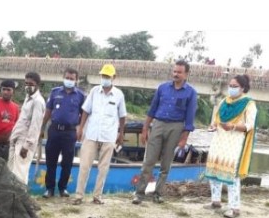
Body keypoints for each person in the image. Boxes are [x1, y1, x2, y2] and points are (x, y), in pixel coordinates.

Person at [132, 60, 197, 205]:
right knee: (149, 161)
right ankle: (139, 193)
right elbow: (152, 109)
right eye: (174, 71)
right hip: (158, 124)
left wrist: (184, 138)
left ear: (186, 74)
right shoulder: (162, 88)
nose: (176, 74)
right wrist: (145, 128)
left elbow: (190, 117)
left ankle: (158, 194)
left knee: (166, 163)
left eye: (179, 72)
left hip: (176, 127)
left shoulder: (191, 93)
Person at [202, 74, 257, 218]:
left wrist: (233, 126)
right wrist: (213, 125)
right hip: (219, 140)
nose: (231, 89)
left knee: (232, 175)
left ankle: (234, 207)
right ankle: (215, 201)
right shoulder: (224, 101)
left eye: (235, 86)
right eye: (230, 86)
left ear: (243, 88)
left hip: (235, 143)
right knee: (214, 172)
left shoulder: (249, 104)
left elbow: (249, 125)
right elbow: (216, 119)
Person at [72, 64, 127, 205]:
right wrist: (80, 128)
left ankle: (97, 196)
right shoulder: (94, 91)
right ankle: (79, 196)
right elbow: (85, 111)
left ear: (113, 77)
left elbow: (122, 116)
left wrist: (121, 134)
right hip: (91, 135)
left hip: (108, 136)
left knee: (103, 168)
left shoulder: (119, 95)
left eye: (108, 76)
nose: (105, 78)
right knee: (84, 166)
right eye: (103, 76)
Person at [42, 68, 86, 198]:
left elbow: (84, 113)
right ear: (63, 77)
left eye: (72, 79)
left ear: (76, 80)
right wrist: (42, 127)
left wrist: (81, 128)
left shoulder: (80, 95)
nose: (69, 80)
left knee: (67, 162)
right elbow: (48, 111)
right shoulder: (55, 92)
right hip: (54, 130)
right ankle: (49, 189)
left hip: (70, 132)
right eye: (67, 78)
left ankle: (63, 188)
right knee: (51, 161)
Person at [7, 72, 46, 185]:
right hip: (16, 139)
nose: (28, 86)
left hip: (24, 143)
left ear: (38, 85)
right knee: (11, 172)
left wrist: (26, 146)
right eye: (26, 83)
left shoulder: (38, 101)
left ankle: (19, 199)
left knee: (19, 174)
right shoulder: (28, 98)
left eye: (31, 84)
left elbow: (35, 126)